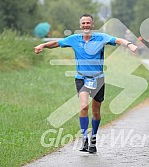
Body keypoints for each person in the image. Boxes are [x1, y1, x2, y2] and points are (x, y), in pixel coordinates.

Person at [34, 14, 138, 153]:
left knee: (96, 112)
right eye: (83, 23)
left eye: (88, 23)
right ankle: (84, 139)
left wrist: (130, 45)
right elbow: (57, 43)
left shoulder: (101, 37)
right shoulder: (74, 39)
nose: (85, 25)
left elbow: (118, 40)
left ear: (92, 25)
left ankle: (93, 139)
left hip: (98, 79)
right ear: (80, 25)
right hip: (81, 78)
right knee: (83, 106)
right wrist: (43, 45)